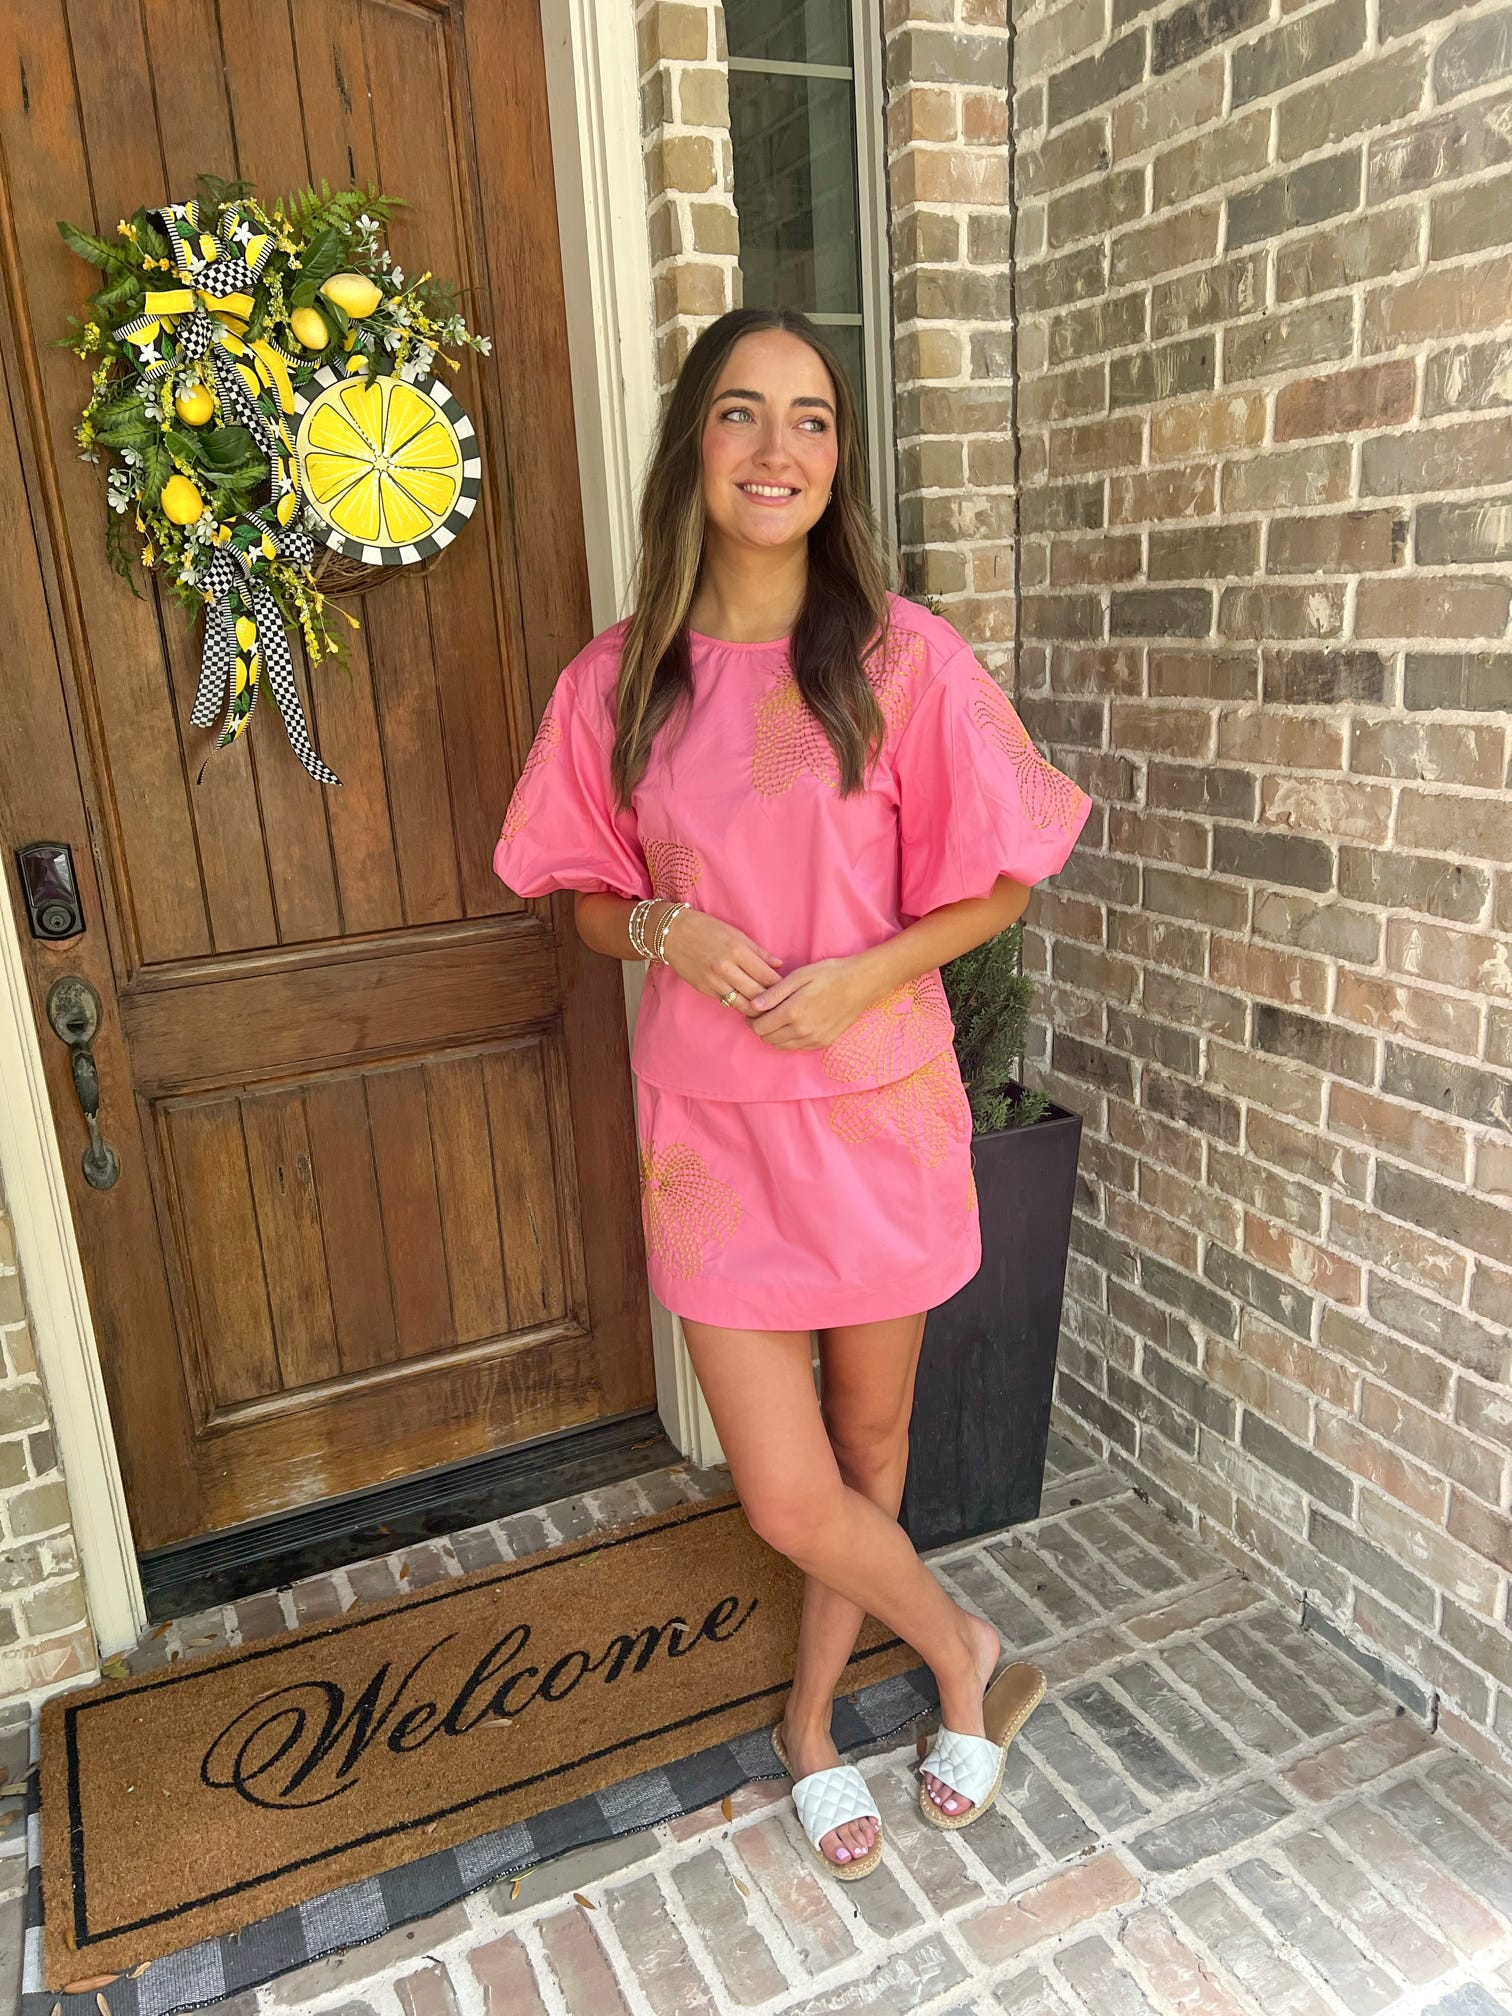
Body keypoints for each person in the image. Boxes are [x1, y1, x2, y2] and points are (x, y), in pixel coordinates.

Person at [493, 306, 1093, 1879]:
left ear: (840, 458)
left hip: (877, 1118)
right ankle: (962, 1654)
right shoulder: (617, 683)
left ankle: (814, 1725)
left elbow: (1002, 888)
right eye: (745, 415)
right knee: (785, 1491)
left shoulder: (907, 659)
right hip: (709, 1138)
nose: (779, 451)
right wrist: (663, 927)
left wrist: (870, 974)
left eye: (813, 420)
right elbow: (574, 894)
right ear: (695, 442)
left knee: (872, 1455)